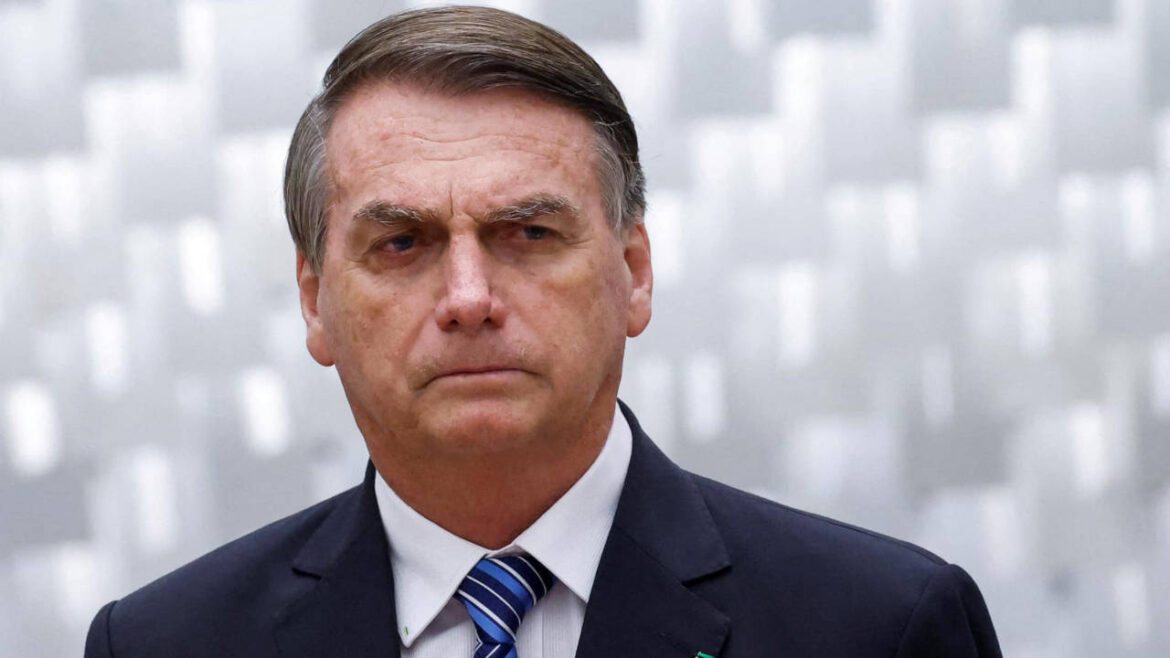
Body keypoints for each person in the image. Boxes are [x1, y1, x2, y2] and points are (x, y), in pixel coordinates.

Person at [85, 6, 1002, 657]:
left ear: (634, 273)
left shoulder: (880, 627)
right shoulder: (164, 644)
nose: (469, 297)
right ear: (314, 301)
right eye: (401, 243)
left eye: (528, 233)